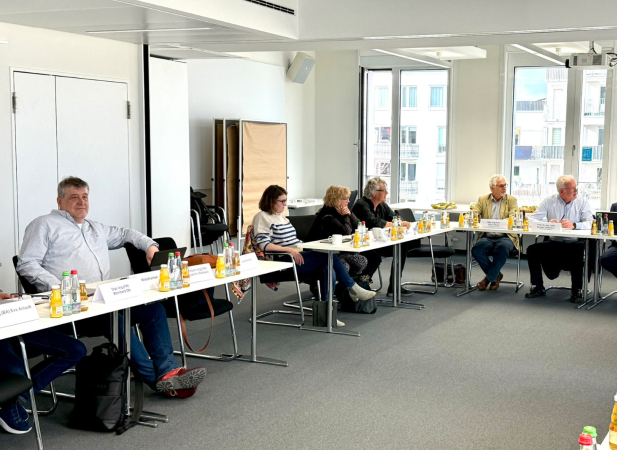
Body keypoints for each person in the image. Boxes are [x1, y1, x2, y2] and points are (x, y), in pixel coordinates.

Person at [16, 176, 206, 398]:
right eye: (74, 197)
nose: (81, 202)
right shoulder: (44, 225)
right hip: (75, 306)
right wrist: (62, 287)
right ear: (59, 201)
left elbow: (127, 234)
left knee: (154, 310)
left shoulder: (94, 228)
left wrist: (150, 246)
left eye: (85, 197)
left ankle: (168, 372)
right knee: (117, 319)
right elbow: (27, 264)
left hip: (103, 299)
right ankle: (159, 381)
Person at [252, 185, 376, 315]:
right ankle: (352, 287)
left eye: (285, 201)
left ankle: (326, 314)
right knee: (327, 255)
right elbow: (264, 245)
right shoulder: (262, 217)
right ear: (271, 201)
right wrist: (290, 250)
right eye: (282, 201)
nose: (285, 204)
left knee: (327, 269)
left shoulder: (280, 216)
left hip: (299, 254)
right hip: (285, 260)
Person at [0, 292, 87, 435]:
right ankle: (8, 404)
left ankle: (16, 396)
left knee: (76, 350)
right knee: (15, 368)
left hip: (13, 319)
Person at [524, 175, 594, 303]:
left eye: (576, 187)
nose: (576, 190)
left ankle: (576, 290)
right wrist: (547, 223)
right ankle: (538, 286)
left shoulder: (582, 202)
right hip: (554, 242)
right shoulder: (549, 201)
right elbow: (531, 220)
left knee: (578, 251)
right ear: (562, 191)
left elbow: (590, 223)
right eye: (573, 188)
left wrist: (574, 225)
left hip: (574, 242)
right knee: (532, 250)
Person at [352, 177, 419, 298]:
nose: (386, 193)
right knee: (374, 257)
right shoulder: (361, 205)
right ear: (373, 193)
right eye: (383, 190)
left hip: (377, 243)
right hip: (361, 244)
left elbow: (394, 217)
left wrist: (400, 222)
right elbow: (373, 222)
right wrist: (396, 224)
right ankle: (362, 283)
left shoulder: (382, 205)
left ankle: (394, 285)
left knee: (401, 247)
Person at [307, 186, 382, 284]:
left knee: (367, 259)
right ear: (336, 199)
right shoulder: (327, 215)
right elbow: (345, 232)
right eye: (346, 199)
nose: (348, 201)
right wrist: (346, 216)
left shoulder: (340, 211)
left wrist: (350, 214)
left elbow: (359, 224)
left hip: (340, 250)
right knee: (346, 265)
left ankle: (355, 284)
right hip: (325, 253)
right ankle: (347, 287)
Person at [471, 174, 519, 291]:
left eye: (505, 185)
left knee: (502, 248)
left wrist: (502, 222)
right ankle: (496, 275)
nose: (504, 188)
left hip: (506, 236)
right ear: (492, 188)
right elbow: (474, 213)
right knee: (476, 250)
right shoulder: (483, 200)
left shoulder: (511, 200)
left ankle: (489, 278)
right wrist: (469, 217)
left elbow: (514, 216)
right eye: (501, 186)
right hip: (487, 236)